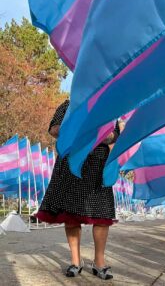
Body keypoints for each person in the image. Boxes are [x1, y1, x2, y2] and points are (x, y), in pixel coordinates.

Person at [35, 99, 119, 280]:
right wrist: (73, 127)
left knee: (102, 215)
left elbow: (114, 134)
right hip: (71, 163)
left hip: (97, 165)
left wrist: (97, 132)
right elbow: (53, 129)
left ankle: (99, 262)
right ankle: (75, 261)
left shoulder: (107, 103)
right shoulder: (69, 104)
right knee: (71, 214)